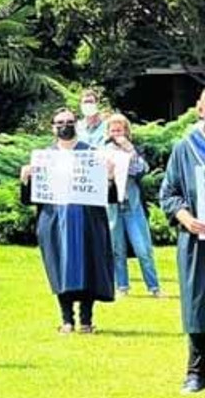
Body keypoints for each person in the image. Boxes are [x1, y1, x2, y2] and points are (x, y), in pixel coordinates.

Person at [19, 107, 116, 334]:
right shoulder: (45, 157)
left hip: (88, 220)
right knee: (59, 267)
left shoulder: (93, 155)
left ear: (77, 125)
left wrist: (110, 178)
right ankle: (66, 320)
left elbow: (109, 198)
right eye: (60, 122)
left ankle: (86, 320)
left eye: (70, 122)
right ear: (53, 127)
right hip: (54, 221)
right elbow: (29, 199)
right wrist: (25, 180)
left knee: (89, 266)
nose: (65, 126)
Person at [160, 89, 205, 393]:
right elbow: (169, 193)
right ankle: (196, 371)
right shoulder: (186, 147)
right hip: (197, 240)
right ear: (201, 109)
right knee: (198, 304)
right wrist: (186, 218)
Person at [104, 113, 161, 298]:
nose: (116, 134)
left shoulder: (135, 150)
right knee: (116, 248)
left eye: (119, 130)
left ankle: (153, 287)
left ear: (126, 131)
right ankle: (122, 286)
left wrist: (129, 150)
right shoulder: (103, 151)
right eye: (113, 130)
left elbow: (142, 170)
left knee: (142, 247)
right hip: (112, 205)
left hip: (132, 205)